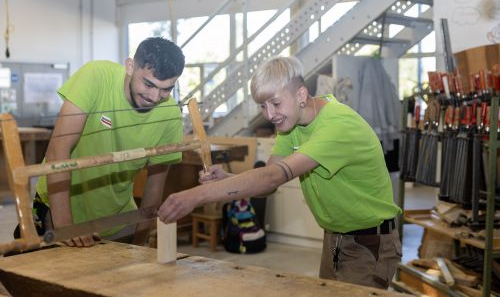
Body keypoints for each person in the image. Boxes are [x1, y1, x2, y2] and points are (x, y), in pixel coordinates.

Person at [157, 56, 402, 289]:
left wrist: (196, 196)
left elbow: (273, 177)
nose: (270, 115)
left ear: (301, 95)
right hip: (335, 239)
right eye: (263, 106)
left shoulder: (338, 126)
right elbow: (270, 183)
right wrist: (227, 180)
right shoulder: (290, 126)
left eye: (275, 103)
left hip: (370, 241)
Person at [15, 37, 185, 248]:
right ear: (130, 67)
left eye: (166, 89)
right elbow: (58, 150)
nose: (154, 96)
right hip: (60, 210)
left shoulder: (169, 115)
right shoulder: (96, 77)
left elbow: (155, 184)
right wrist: (66, 227)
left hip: (117, 217)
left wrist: (141, 242)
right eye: (148, 84)